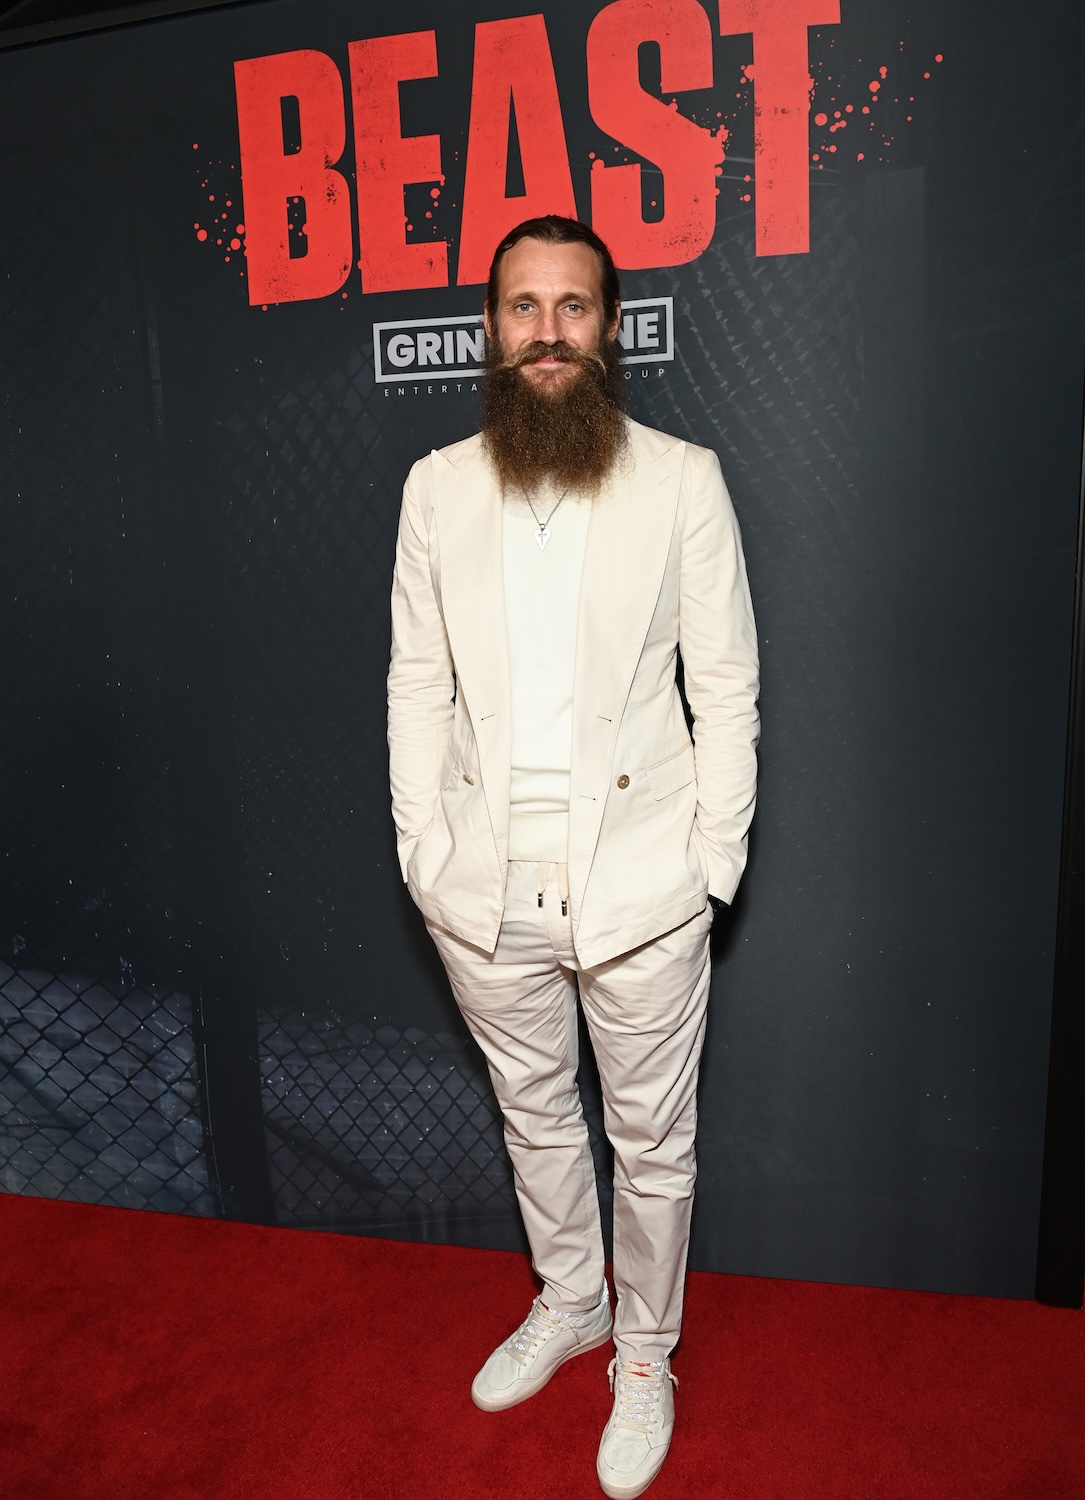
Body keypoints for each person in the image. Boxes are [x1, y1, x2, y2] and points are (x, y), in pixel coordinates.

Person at [387, 215, 759, 1499]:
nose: (546, 329)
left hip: (644, 888)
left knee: (653, 1144)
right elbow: (413, 684)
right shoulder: (434, 488)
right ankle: (572, 1303)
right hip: (482, 892)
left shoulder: (681, 480)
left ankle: (644, 1355)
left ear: (609, 329)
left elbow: (726, 689)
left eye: (573, 307)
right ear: (491, 328)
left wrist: (711, 868)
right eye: (522, 306)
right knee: (535, 1118)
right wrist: (422, 855)